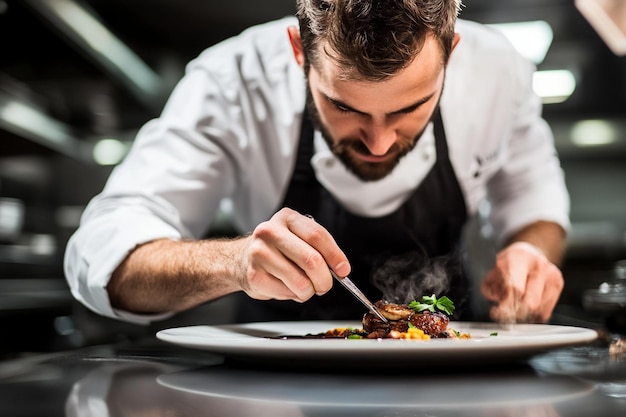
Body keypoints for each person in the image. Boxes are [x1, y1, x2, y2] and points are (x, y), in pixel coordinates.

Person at [64, 0, 569, 326]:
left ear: (451, 54)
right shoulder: (233, 80)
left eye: (410, 108)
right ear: (298, 54)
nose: (378, 143)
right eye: (344, 107)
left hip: (455, 380)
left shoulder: (498, 71)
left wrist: (530, 255)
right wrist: (234, 263)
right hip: (269, 388)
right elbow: (101, 254)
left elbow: (536, 204)